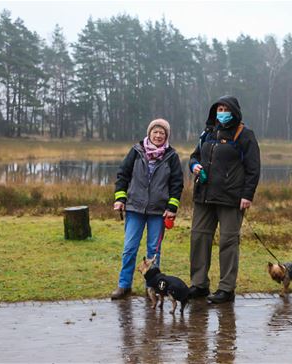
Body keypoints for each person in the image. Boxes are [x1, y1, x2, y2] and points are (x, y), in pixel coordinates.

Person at [188, 95, 261, 304]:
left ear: (234, 111)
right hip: (204, 196)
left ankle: (226, 289)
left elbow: (253, 168)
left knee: (228, 242)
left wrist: (247, 195)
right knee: (199, 238)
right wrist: (194, 166)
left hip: (231, 198)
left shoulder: (245, 135)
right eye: (219, 108)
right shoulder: (207, 132)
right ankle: (199, 285)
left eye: (225, 108)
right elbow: (194, 156)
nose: (222, 112)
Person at [111, 118, 183, 299]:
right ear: (149, 133)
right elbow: (122, 175)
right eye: (155, 132)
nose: (158, 136)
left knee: (154, 252)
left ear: (166, 136)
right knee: (129, 248)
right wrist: (120, 198)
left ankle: (151, 287)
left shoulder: (171, 156)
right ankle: (124, 285)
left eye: (162, 133)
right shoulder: (136, 152)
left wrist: (172, 207)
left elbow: (177, 184)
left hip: (158, 212)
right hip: (134, 208)